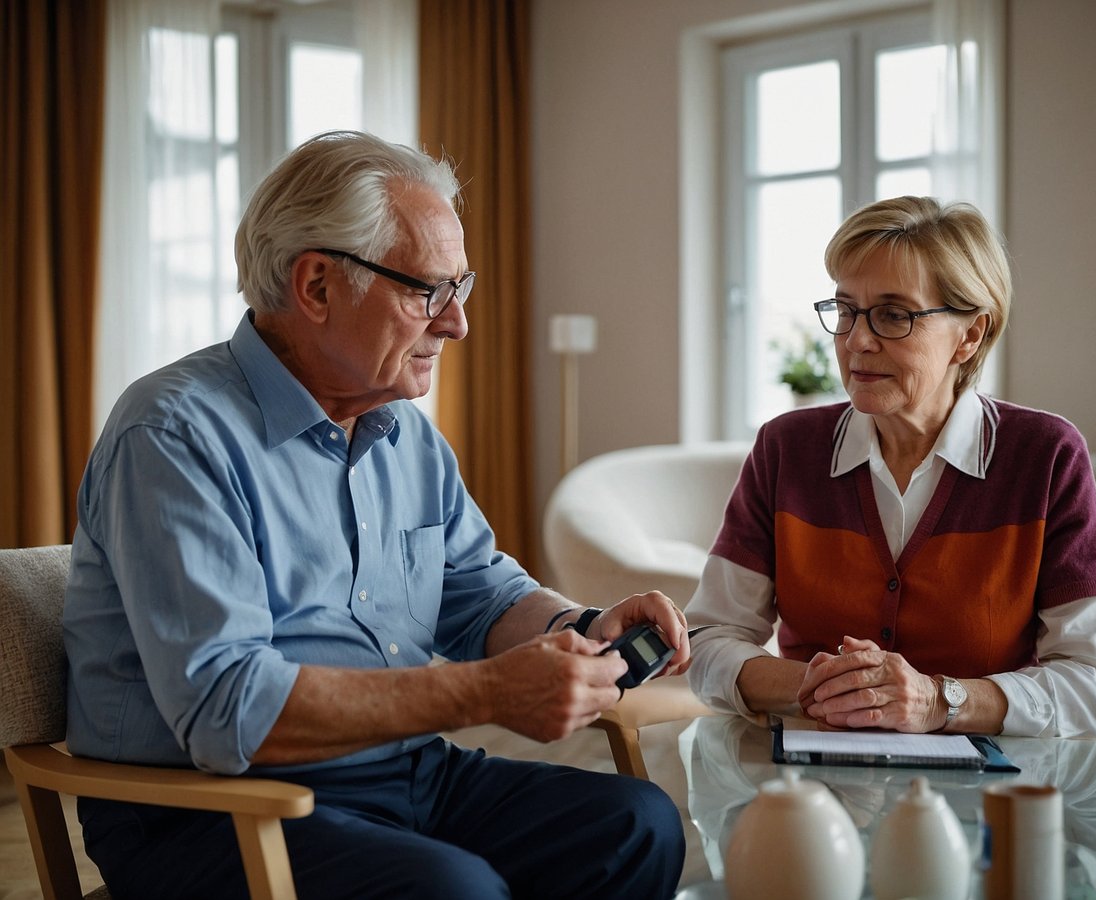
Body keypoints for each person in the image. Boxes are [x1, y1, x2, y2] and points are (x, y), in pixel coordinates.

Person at [63, 130, 691, 900]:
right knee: (451, 889)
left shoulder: (406, 437)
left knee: (636, 825)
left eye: (461, 289)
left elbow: (483, 595)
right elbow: (227, 709)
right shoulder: (172, 434)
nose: (457, 324)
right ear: (318, 286)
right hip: (206, 808)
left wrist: (585, 630)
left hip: (395, 770)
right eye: (429, 291)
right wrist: (487, 693)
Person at [686, 195, 1096, 739]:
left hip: (986, 797)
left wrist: (937, 701)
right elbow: (707, 640)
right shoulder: (786, 449)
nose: (856, 341)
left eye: (894, 315)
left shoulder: (1045, 455)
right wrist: (825, 687)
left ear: (969, 335)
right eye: (845, 310)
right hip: (808, 798)